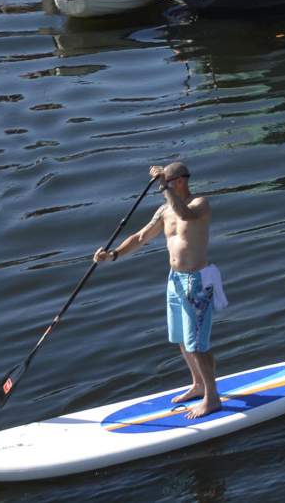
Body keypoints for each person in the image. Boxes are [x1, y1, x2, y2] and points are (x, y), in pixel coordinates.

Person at [97, 161, 227, 419]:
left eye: (167, 183)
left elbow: (185, 216)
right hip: (175, 280)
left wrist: (164, 187)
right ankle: (198, 384)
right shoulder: (163, 211)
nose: (162, 189)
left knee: (197, 343)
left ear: (180, 181)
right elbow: (140, 237)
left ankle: (212, 398)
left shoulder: (200, 204)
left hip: (197, 281)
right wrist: (112, 255)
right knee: (181, 338)